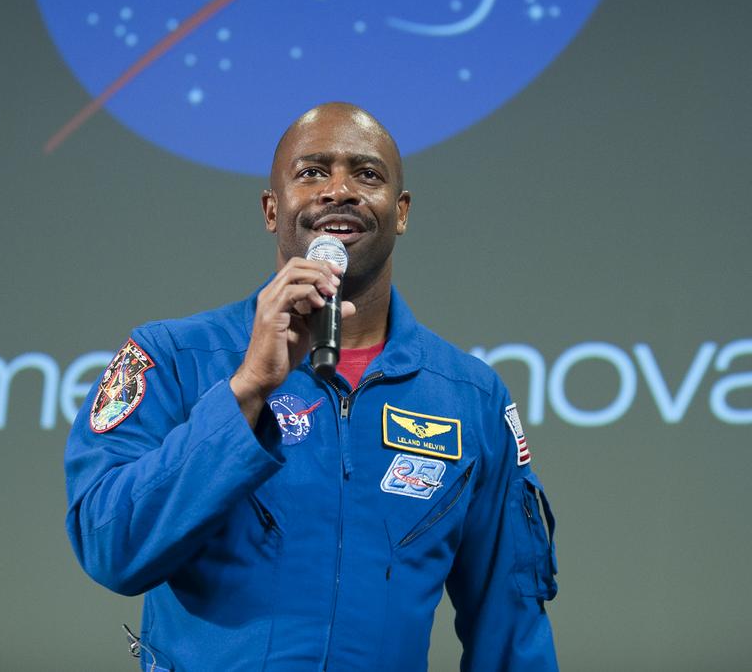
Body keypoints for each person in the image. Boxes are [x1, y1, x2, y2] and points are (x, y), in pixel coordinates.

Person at [65, 103, 559, 671]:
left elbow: (511, 631)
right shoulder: (173, 357)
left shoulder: (470, 397)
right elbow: (111, 548)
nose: (339, 191)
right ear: (272, 209)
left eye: (367, 174)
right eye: (312, 172)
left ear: (400, 212)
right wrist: (247, 389)